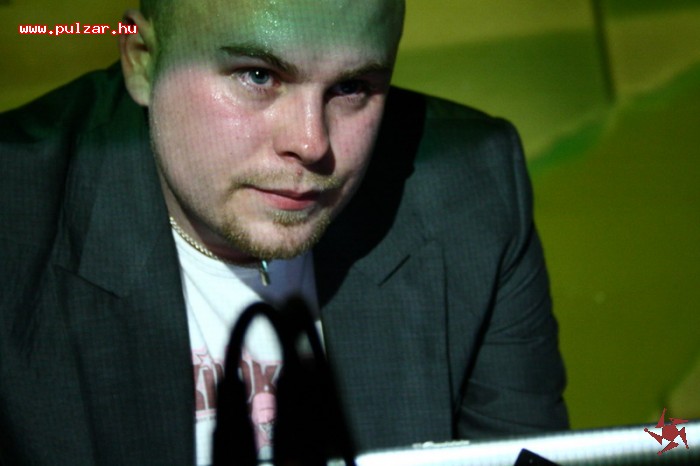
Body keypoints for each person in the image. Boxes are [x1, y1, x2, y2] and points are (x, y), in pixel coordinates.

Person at [0, 0, 568, 464]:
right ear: (142, 61)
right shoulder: (15, 218)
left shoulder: (469, 191)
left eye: (352, 86)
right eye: (259, 75)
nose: (311, 143)